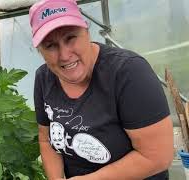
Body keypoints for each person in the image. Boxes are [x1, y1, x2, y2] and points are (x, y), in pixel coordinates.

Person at [29, 0, 174, 179]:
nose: (64, 55)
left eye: (70, 38)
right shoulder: (44, 79)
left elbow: (158, 156)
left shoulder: (128, 73)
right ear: (39, 51)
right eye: (50, 46)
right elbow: (46, 140)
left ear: (86, 32)